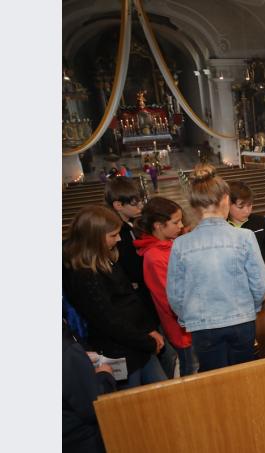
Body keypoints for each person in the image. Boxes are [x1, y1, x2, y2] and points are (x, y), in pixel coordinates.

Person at [167, 164, 265, 372]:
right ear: (225, 200)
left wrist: (189, 318)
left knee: (214, 382)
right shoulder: (244, 237)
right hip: (241, 320)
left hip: (203, 326)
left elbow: (175, 296)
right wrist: (252, 307)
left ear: (194, 206)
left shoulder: (180, 244)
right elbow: (260, 285)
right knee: (242, 376)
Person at [63, 206, 167, 388]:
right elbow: (109, 320)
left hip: (138, 344)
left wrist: (148, 329)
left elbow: (129, 300)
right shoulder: (83, 274)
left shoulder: (104, 258)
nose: (119, 239)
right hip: (119, 352)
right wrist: (146, 340)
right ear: (93, 238)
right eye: (113, 235)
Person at [105, 177, 176, 377]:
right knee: (166, 353)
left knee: (167, 353)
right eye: (135, 202)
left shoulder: (130, 226)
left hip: (143, 296)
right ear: (118, 205)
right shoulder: (119, 233)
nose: (141, 206)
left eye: (141, 200)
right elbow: (129, 267)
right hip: (137, 304)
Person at [134, 197, 197, 377]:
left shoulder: (170, 244)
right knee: (191, 370)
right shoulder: (154, 257)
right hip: (182, 329)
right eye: (176, 222)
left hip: (191, 323)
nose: (181, 225)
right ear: (158, 225)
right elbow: (170, 299)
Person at [63, 321, 117, 453]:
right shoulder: (66, 349)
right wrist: (105, 376)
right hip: (81, 439)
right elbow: (93, 407)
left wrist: (79, 358)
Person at [228, 181, 265, 284]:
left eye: (250, 205)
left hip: (263, 281)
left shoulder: (260, 222)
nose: (247, 211)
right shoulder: (223, 227)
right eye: (241, 207)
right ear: (228, 204)